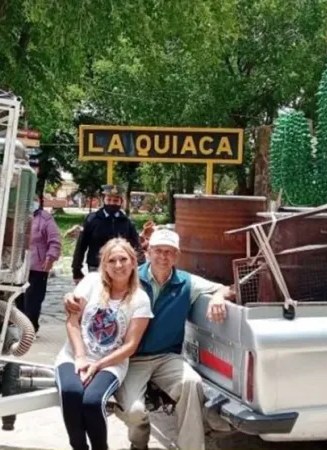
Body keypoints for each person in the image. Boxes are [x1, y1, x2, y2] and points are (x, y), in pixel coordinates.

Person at [65, 229, 231, 450]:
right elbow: (95, 291)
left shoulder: (186, 283)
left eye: (170, 252)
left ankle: (191, 446)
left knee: (192, 383)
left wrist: (218, 296)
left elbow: (227, 288)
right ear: (148, 251)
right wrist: (71, 297)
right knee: (135, 413)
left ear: (177, 255)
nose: (163, 257)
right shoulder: (129, 277)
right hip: (130, 357)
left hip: (166, 357)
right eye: (158, 251)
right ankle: (139, 444)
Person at [55, 238, 154, 450]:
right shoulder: (91, 282)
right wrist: (81, 357)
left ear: (134, 262)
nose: (118, 265)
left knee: (92, 402)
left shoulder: (141, 299)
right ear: (104, 265)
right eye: (112, 260)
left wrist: (97, 366)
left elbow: (130, 345)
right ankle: (79, 446)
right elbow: (73, 322)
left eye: (123, 259)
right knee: (71, 394)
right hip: (75, 354)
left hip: (110, 362)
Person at [71, 184, 142, 285]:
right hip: (96, 266)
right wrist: (76, 269)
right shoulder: (92, 219)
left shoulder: (127, 221)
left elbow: (136, 245)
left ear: (121, 202)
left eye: (116, 201)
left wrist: (140, 267)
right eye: (109, 200)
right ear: (103, 200)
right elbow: (81, 245)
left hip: (120, 266)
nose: (112, 203)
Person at [15, 194, 62, 333]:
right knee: (19, 298)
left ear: (39, 202)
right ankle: (23, 326)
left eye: (35, 201)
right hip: (18, 265)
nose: (32, 203)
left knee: (33, 300)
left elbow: (55, 240)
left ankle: (31, 328)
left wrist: (51, 257)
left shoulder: (45, 219)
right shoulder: (18, 216)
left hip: (38, 266)